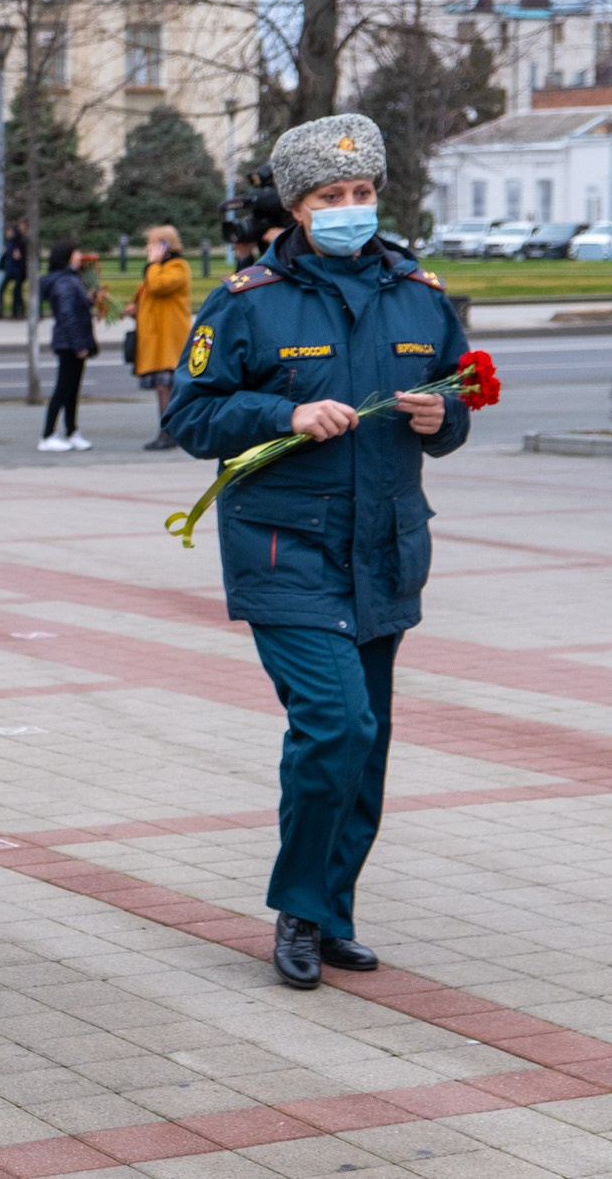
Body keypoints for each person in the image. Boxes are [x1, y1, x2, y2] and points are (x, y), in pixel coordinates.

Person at [163, 112, 472, 992]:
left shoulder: (420, 295)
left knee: (366, 746)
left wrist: (442, 415)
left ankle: (333, 910)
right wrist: (283, 414)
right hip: (285, 552)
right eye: (331, 196)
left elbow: (455, 410)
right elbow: (191, 416)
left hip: (384, 549)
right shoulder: (249, 302)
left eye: (362, 192)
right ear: (298, 208)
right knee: (335, 724)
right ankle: (299, 907)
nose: (350, 208)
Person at [126, 224, 193, 450]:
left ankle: (169, 433)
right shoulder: (160, 268)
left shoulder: (178, 267)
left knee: (166, 388)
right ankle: (168, 431)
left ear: (165, 246)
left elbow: (158, 286)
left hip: (169, 342)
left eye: (152, 244)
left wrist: (153, 264)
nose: (148, 248)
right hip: (157, 341)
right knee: (163, 389)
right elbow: (149, 294)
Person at [36, 240, 96, 452]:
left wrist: (91, 300)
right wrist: (79, 344)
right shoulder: (64, 282)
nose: (80, 256)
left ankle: (71, 432)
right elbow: (67, 315)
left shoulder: (70, 279)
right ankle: (47, 435)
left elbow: (75, 306)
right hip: (69, 343)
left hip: (71, 341)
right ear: (66, 256)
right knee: (63, 389)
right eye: (76, 253)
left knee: (72, 390)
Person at [0, 217, 28, 319]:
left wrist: (20, 256)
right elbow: (5, 256)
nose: (7, 234)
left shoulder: (19, 241)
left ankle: (17, 312)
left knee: (17, 292)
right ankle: (1, 311)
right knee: (2, 290)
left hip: (18, 270)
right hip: (10, 270)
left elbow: (24, 255)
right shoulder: (9, 243)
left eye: (8, 232)